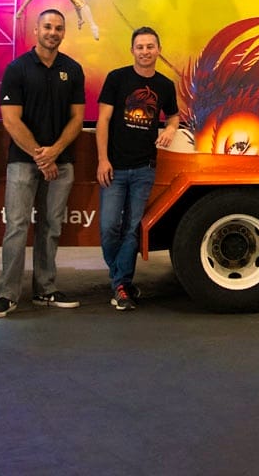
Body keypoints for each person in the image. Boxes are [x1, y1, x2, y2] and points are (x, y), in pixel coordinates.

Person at [0, 9, 86, 318]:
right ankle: (7, 294)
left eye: (58, 28)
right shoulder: (17, 69)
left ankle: (45, 290)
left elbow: (78, 119)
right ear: (36, 30)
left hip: (61, 162)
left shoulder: (73, 69)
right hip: (22, 162)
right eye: (47, 26)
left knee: (50, 227)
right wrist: (41, 157)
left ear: (63, 33)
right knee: (16, 227)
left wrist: (54, 152)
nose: (52, 32)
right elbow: (10, 120)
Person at [96, 27, 179, 311]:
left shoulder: (165, 85)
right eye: (140, 46)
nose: (145, 51)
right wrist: (102, 160)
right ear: (132, 50)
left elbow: (175, 115)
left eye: (150, 46)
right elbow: (103, 122)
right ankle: (121, 281)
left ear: (158, 50)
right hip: (114, 168)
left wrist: (170, 128)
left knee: (132, 229)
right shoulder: (117, 79)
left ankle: (120, 285)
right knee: (109, 228)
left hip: (145, 168)